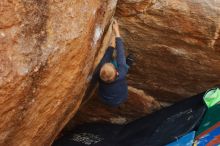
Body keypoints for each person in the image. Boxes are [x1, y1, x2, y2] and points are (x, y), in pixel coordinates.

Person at [94, 20, 133, 107]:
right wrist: (117, 32)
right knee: (124, 65)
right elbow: (120, 55)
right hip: (121, 96)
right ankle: (128, 63)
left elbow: (105, 59)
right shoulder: (122, 72)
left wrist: (111, 46)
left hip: (105, 98)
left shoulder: (98, 74)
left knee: (115, 62)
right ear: (116, 72)